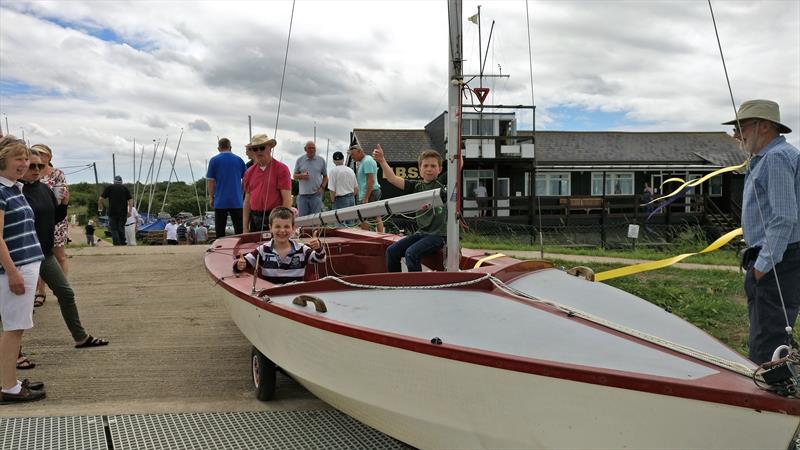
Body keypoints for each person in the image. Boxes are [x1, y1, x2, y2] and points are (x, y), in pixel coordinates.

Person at [722, 99, 800, 365]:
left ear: (764, 126)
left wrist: (762, 266)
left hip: (778, 260)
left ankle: (768, 393)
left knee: (768, 336)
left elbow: (784, 217)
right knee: (771, 331)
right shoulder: (771, 157)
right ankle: (773, 384)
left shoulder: (776, 158)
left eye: (740, 126)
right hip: (780, 257)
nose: (735, 135)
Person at [22, 150, 109, 357]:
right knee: (21, 305)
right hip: (24, 255)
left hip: (44, 252)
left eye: (40, 166)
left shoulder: (43, 189)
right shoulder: (17, 192)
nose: (36, 170)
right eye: (31, 166)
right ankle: (14, 352)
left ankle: (80, 337)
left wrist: (64, 204)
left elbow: (55, 218)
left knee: (66, 293)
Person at [0, 135, 46, 404]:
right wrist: (13, 272)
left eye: (25, 158)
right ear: (3, 160)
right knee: (14, 327)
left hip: (25, 264)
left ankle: (11, 381)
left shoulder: (13, 189)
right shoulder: (2, 191)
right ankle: (8, 386)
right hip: (14, 269)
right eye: (18, 158)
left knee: (17, 326)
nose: (24, 163)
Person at [374, 145, 447, 272]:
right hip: (422, 234)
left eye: (433, 166)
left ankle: (417, 287)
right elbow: (392, 178)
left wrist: (458, 149)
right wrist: (381, 160)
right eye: (425, 166)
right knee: (392, 251)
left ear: (440, 169)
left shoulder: (442, 182)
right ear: (420, 169)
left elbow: (458, 167)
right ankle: (396, 284)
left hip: (439, 236)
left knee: (411, 253)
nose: (429, 169)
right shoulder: (416, 186)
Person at [233, 207, 325, 284]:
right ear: (270, 228)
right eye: (277, 227)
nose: (282, 230)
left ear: (293, 228)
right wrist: (239, 265)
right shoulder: (263, 250)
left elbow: (320, 258)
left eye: (286, 226)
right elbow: (243, 263)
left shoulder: (303, 249)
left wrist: (318, 247)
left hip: (296, 297)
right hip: (270, 298)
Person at [242, 134, 292, 233]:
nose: (259, 151)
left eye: (262, 148)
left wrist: (281, 225)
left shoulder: (282, 169)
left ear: (270, 148)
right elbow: (247, 201)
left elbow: (287, 200)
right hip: (255, 219)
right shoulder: (249, 172)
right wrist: (245, 228)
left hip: (274, 218)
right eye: (255, 149)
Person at [32, 144, 69, 275]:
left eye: (43, 154)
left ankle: (64, 286)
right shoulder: (30, 172)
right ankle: (40, 291)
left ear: (49, 157)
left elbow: (63, 192)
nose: (40, 156)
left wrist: (63, 198)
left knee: (60, 256)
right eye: (37, 153)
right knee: (39, 257)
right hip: (37, 216)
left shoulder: (57, 173)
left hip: (56, 215)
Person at [206, 137, 246, 238]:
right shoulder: (239, 160)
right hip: (237, 200)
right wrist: (241, 192)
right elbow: (246, 179)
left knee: (220, 229)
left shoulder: (214, 160)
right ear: (230, 147)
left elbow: (211, 182)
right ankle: (240, 249)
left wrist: (211, 197)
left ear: (218, 148)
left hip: (220, 200)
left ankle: (220, 251)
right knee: (239, 229)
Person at [349, 144, 384, 233]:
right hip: (370, 191)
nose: (352, 157)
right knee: (375, 214)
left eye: (353, 154)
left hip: (370, 192)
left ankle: (369, 236)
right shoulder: (365, 161)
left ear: (359, 151)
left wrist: (366, 197)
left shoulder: (367, 161)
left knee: (361, 216)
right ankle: (379, 235)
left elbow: (370, 180)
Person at [294, 141, 328, 216]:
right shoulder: (299, 160)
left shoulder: (321, 160)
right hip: (303, 196)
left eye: (313, 148)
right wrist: (301, 175)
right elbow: (294, 176)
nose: (312, 150)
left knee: (316, 219)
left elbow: (325, 176)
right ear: (305, 149)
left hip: (316, 195)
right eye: (309, 148)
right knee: (303, 220)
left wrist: (322, 188)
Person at [98, 175, 132, 246]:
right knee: (121, 227)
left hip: (112, 212)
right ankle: (123, 242)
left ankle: (117, 244)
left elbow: (100, 199)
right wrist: (130, 211)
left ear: (114, 181)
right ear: (121, 182)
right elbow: (131, 200)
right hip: (123, 212)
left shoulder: (110, 188)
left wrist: (101, 207)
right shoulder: (125, 188)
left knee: (114, 228)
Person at [327, 151, 358, 226]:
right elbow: (356, 188)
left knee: (340, 225)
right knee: (351, 225)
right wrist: (350, 196)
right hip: (351, 199)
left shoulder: (333, 171)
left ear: (334, 161)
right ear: (343, 159)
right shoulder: (350, 170)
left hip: (339, 200)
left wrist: (333, 201)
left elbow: (332, 190)